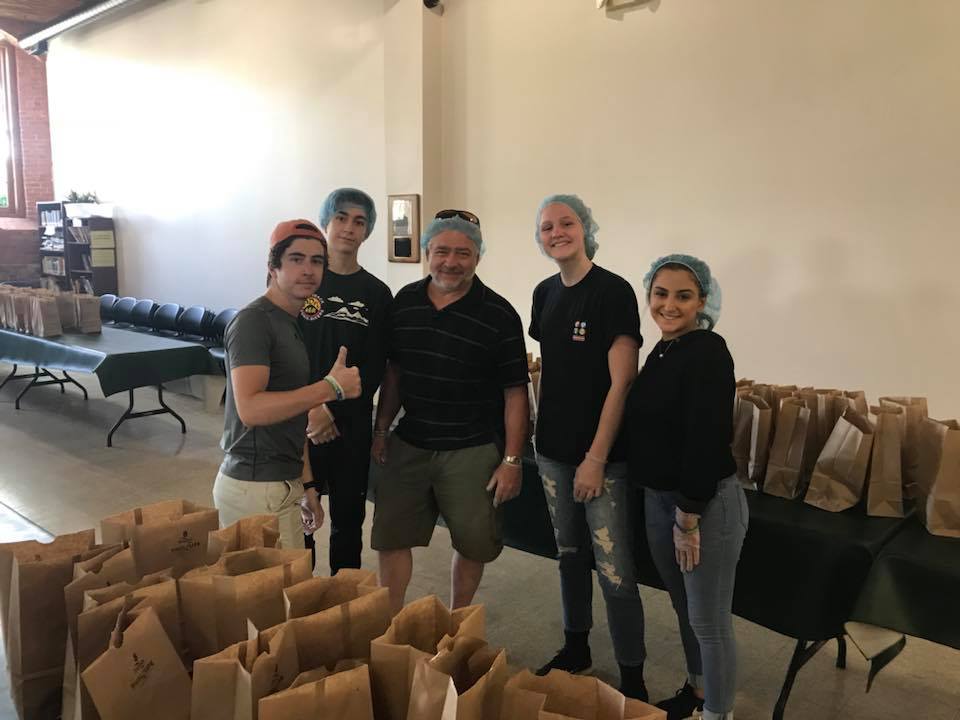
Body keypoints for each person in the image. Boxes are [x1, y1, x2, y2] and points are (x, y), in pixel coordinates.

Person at [370, 209, 529, 613]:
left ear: (478, 258)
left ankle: (457, 621)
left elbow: (515, 393)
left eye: (464, 252)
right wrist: (382, 429)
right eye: (442, 250)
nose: (451, 262)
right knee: (391, 536)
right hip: (411, 441)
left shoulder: (500, 314)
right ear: (426, 252)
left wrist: (512, 460)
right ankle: (391, 623)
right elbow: (395, 373)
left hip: (472, 449)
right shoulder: (404, 302)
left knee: (473, 542)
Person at [529, 194, 648, 701]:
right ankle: (576, 648)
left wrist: (596, 458)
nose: (557, 232)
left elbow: (622, 384)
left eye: (567, 223)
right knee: (570, 556)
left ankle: (633, 678)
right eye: (547, 226)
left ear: (586, 228)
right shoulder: (543, 293)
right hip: (551, 451)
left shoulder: (612, 292)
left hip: (603, 459)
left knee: (616, 571)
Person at [625, 253, 745, 720]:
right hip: (661, 500)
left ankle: (718, 713)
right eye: (660, 294)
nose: (669, 305)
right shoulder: (662, 349)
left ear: (703, 301)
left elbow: (707, 434)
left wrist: (689, 514)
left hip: (702, 505)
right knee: (685, 608)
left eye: (683, 296)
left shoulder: (708, 351)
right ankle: (697, 693)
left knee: (709, 621)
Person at [214, 219, 361, 551]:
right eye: (296, 259)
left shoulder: (288, 322)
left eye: (316, 260)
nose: (308, 270)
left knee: (285, 595)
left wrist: (307, 483)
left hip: (283, 481)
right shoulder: (254, 321)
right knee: (265, 599)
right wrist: (331, 388)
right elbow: (250, 408)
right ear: (273, 266)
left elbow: (291, 413)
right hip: (254, 488)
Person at [300, 188, 393, 573]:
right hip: (298, 420)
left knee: (347, 523)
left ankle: (343, 609)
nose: (349, 228)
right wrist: (311, 408)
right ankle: (298, 604)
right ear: (326, 222)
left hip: (349, 426)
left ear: (367, 231)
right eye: (341, 218)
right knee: (298, 520)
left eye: (359, 221)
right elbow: (285, 356)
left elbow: (372, 370)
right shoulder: (303, 283)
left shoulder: (376, 294)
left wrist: (331, 413)